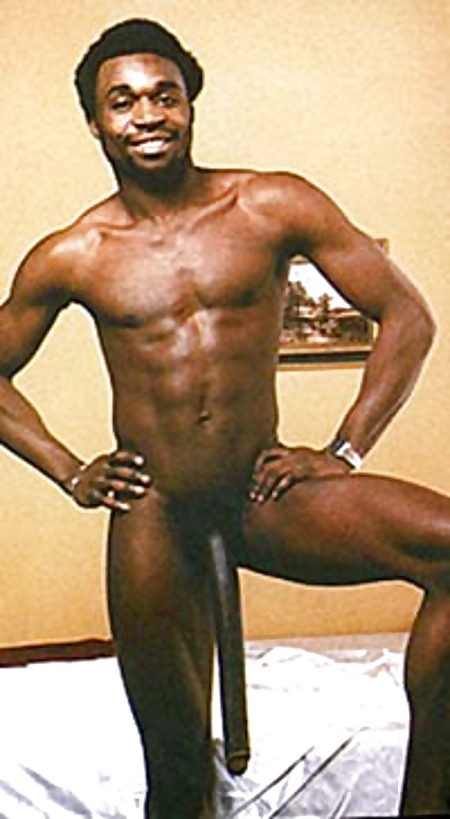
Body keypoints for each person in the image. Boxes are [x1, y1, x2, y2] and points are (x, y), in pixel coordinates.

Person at [0, 17, 448, 818]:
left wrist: (345, 448)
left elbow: (407, 316)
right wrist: (70, 470)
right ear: (95, 122)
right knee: (177, 777)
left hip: (260, 492)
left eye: (164, 95)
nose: (147, 115)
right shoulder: (74, 253)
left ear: (190, 105)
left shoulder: (270, 203)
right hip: (157, 513)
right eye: (123, 101)